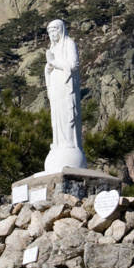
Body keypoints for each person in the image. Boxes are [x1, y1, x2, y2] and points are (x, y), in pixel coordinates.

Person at [44, 19, 87, 172]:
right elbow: (49, 69)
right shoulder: (53, 49)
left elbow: (74, 64)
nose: (52, 34)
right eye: (49, 32)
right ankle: (58, 145)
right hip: (56, 88)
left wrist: (54, 63)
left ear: (61, 30)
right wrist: (48, 69)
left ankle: (68, 145)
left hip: (67, 88)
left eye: (54, 31)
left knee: (67, 116)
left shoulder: (69, 43)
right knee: (56, 117)